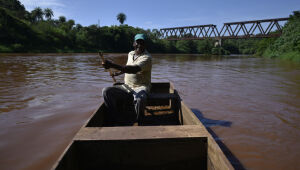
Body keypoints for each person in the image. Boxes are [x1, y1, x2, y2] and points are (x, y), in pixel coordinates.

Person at [101, 33, 152, 125]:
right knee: (106, 91)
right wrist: (118, 73)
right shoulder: (130, 53)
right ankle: (115, 117)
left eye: (142, 43)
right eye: (138, 42)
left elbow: (133, 69)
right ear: (133, 44)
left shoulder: (147, 58)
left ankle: (140, 121)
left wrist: (111, 65)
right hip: (126, 86)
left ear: (145, 45)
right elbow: (127, 67)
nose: (139, 45)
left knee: (140, 98)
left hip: (140, 86)